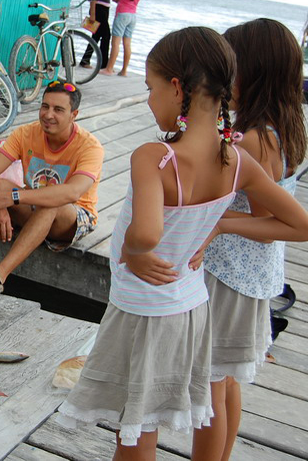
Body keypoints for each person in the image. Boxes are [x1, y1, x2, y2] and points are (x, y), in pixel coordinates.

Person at [55, 27, 308, 457]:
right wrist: (221, 224)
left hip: (143, 309)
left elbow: (148, 233)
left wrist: (135, 251)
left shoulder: (154, 157)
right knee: (186, 407)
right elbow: (300, 223)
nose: (150, 100)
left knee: (134, 426)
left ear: (177, 88)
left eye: (150, 88)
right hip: (191, 308)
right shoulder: (238, 160)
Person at [191, 19, 307, 461]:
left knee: (209, 387)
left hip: (231, 275)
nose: (224, 80)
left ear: (254, 72)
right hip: (252, 275)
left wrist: (221, 224)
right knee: (226, 381)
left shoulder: (255, 139)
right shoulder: (282, 127)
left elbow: (268, 218)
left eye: (231, 68)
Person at [0, 81, 104, 292]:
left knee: (50, 203)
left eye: (58, 110)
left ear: (74, 114)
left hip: (73, 215)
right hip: (35, 206)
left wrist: (14, 197)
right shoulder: (26, 133)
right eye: (45, 106)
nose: (48, 115)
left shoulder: (90, 146)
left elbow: (72, 192)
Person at [101, 0, 146, 76]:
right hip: (133, 16)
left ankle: (109, 68)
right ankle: (124, 70)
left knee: (116, 43)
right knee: (127, 44)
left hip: (122, 14)